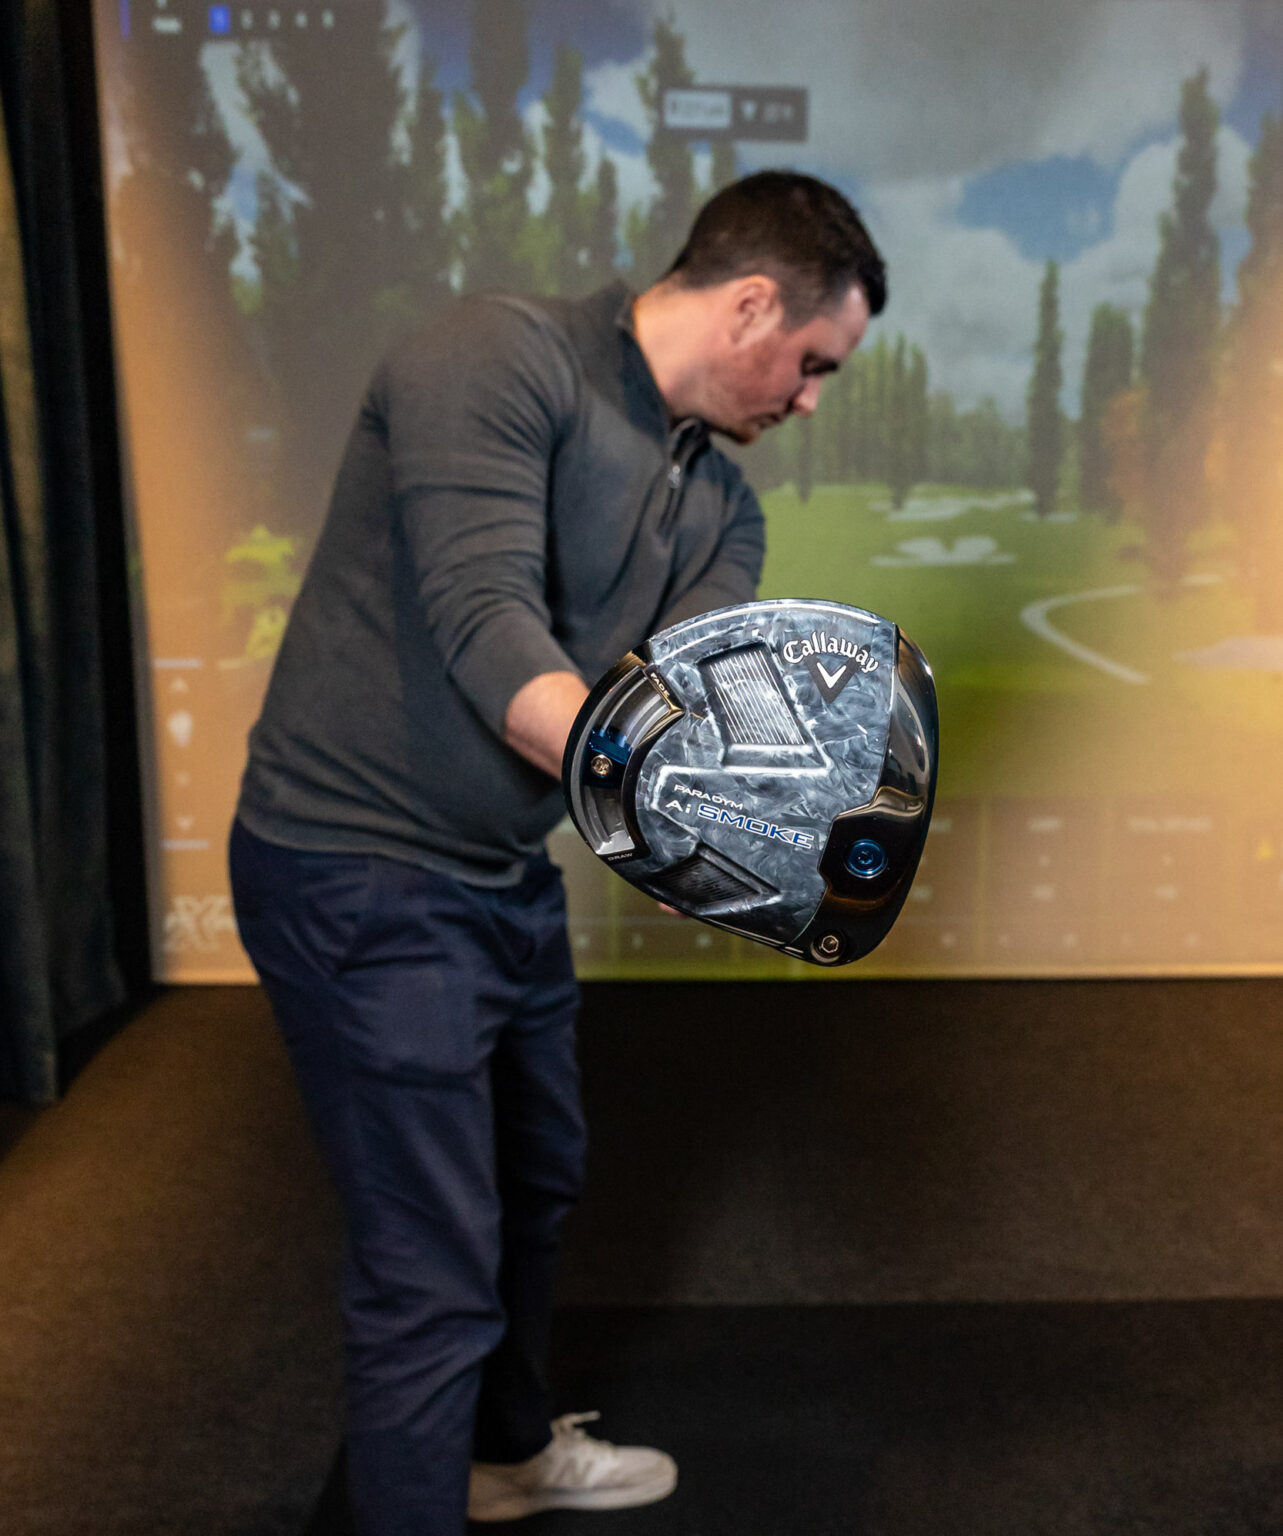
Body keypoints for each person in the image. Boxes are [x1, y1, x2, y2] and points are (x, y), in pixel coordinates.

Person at [228, 169, 886, 1536]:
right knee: (430, 1265)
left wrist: (746, 831)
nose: (812, 399)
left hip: (500, 876)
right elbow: (489, 633)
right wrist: (663, 793)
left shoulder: (726, 510)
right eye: (815, 362)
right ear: (750, 306)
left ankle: (507, 1455)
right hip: (354, 863)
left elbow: (678, 724)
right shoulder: (494, 358)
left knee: (537, 1179)